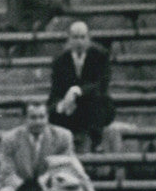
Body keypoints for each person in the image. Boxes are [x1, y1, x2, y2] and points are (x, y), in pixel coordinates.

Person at [0, 100, 75, 191]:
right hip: (20, 185)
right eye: (33, 117)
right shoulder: (10, 138)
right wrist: (24, 188)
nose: (38, 122)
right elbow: (6, 171)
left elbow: (64, 167)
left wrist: (45, 183)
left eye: (42, 117)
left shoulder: (63, 137)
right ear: (24, 119)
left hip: (49, 184)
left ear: (47, 117)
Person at [47, 21, 116, 152]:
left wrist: (77, 91)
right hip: (70, 108)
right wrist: (61, 105)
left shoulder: (100, 56)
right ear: (69, 39)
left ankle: (96, 144)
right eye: (75, 37)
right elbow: (55, 90)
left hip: (95, 105)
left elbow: (101, 85)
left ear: (88, 38)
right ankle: (63, 149)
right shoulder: (60, 60)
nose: (79, 42)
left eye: (82, 37)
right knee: (52, 112)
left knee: (96, 102)